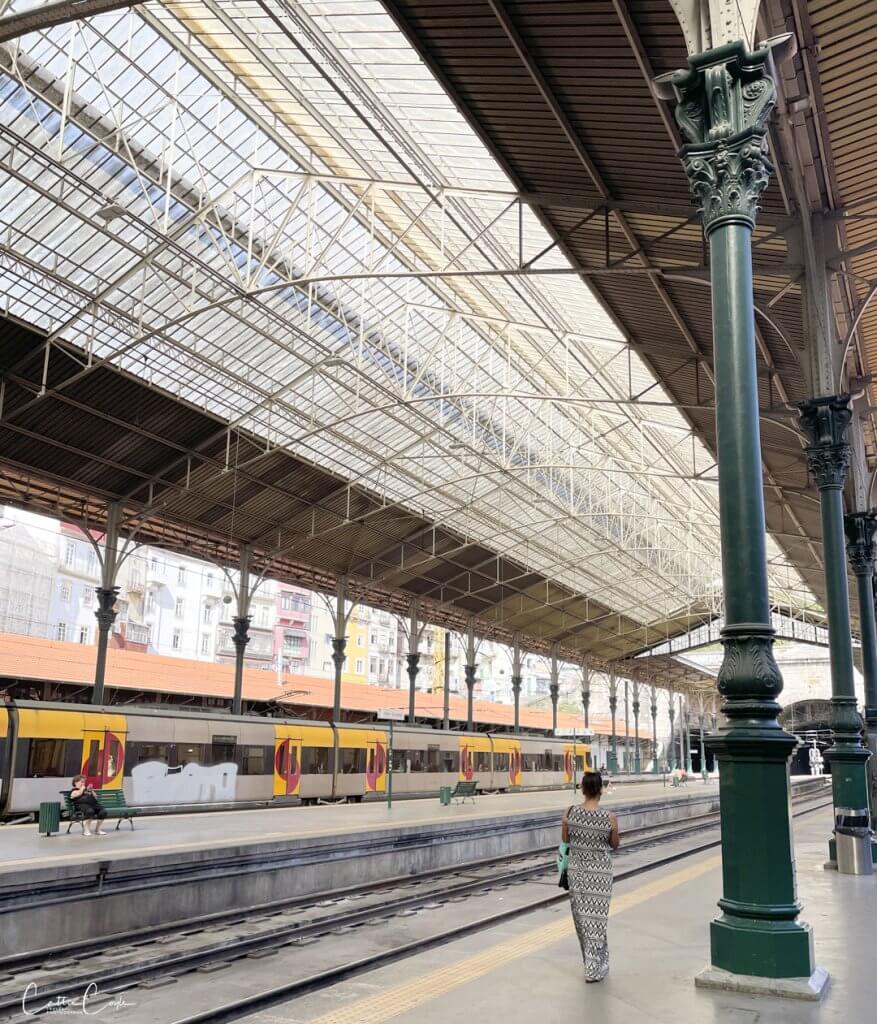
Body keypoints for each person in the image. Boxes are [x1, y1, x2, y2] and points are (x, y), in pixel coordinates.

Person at [562, 771, 620, 982]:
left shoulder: (570, 813)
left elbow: (565, 841)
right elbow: (614, 845)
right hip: (601, 874)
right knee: (597, 920)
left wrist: (564, 825)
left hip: (577, 873)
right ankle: (594, 968)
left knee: (583, 920)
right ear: (601, 790)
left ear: (583, 789)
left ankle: (595, 963)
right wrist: (613, 830)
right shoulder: (609, 817)